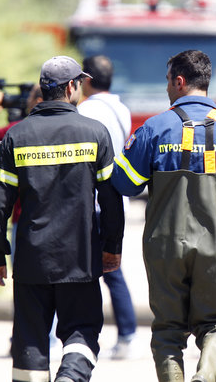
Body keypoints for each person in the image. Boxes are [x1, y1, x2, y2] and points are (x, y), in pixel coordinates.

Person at [111, 50, 216, 382]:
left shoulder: (155, 128)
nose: (168, 88)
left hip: (165, 249)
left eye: (169, 81)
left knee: (168, 330)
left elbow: (124, 183)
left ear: (180, 81)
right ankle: (204, 379)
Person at [0, 56, 125, 382]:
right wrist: (111, 246)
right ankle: (70, 376)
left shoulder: (16, 137)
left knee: (30, 341)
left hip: (32, 260)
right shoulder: (95, 133)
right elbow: (111, 199)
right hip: (80, 259)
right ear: (73, 87)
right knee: (82, 331)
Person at [78, 55, 138, 360]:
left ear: (86, 79)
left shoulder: (86, 110)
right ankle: (127, 334)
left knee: (89, 273)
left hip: (93, 201)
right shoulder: (121, 108)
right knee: (113, 270)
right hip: (117, 200)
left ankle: (86, 336)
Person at [0, 85, 43, 262]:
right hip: (62, 221)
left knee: (25, 278)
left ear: (37, 101)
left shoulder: (17, 130)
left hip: (24, 220)